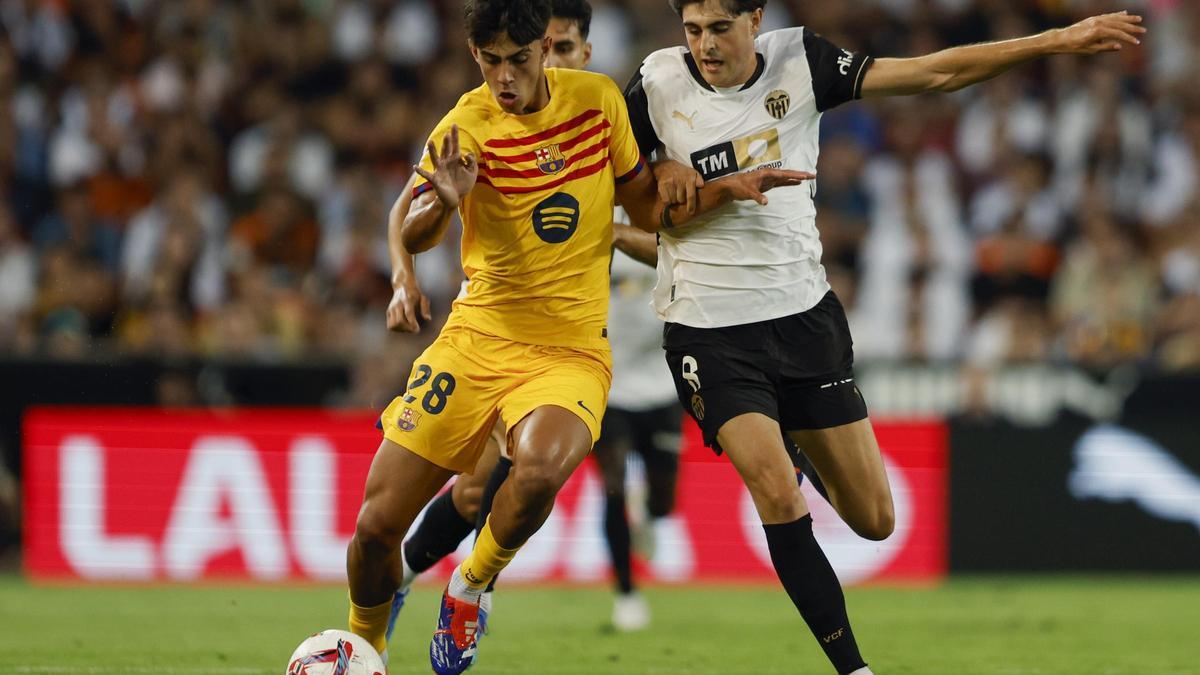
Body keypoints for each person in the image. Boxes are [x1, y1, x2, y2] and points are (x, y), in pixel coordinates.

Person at [626, 2, 1145, 674]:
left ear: (755, 18)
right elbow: (625, 191)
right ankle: (854, 668)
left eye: (719, 27)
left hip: (803, 318)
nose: (703, 45)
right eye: (692, 30)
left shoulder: (802, 61)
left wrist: (1054, 39)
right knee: (778, 492)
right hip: (708, 328)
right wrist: (658, 183)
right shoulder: (655, 84)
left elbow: (933, 75)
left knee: (874, 520)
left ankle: (788, 441)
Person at [344, 2, 811, 673]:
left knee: (538, 470)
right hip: (476, 340)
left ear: (548, 48)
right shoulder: (465, 124)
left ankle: (471, 585)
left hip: (568, 351)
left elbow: (647, 207)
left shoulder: (597, 104)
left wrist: (722, 190)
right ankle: (366, 646)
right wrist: (443, 205)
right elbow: (414, 230)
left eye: (520, 57)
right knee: (374, 527)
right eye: (490, 60)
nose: (505, 76)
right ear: (475, 56)